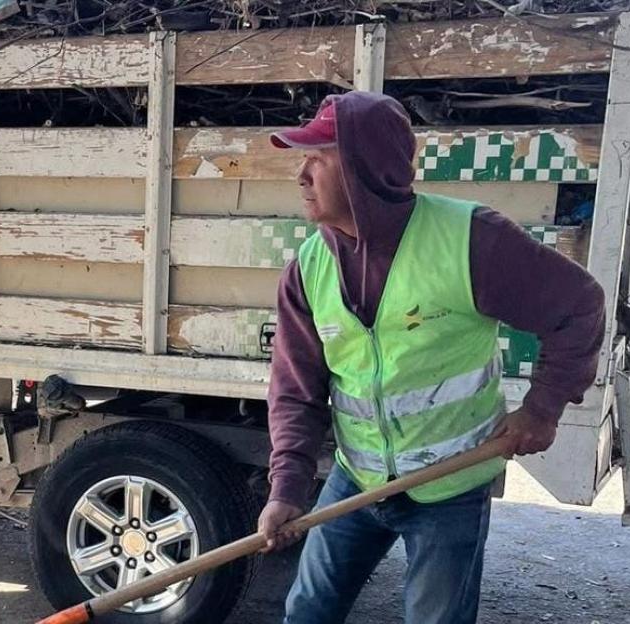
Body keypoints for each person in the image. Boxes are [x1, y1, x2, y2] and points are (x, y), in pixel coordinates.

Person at [255, 91, 605, 624]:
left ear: (362, 170)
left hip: (450, 484)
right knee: (307, 611)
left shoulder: (470, 241)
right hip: (357, 477)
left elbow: (580, 306)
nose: (301, 175)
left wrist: (542, 407)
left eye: (317, 158)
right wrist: (287, 487)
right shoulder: (309, 266)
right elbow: (295, 389)